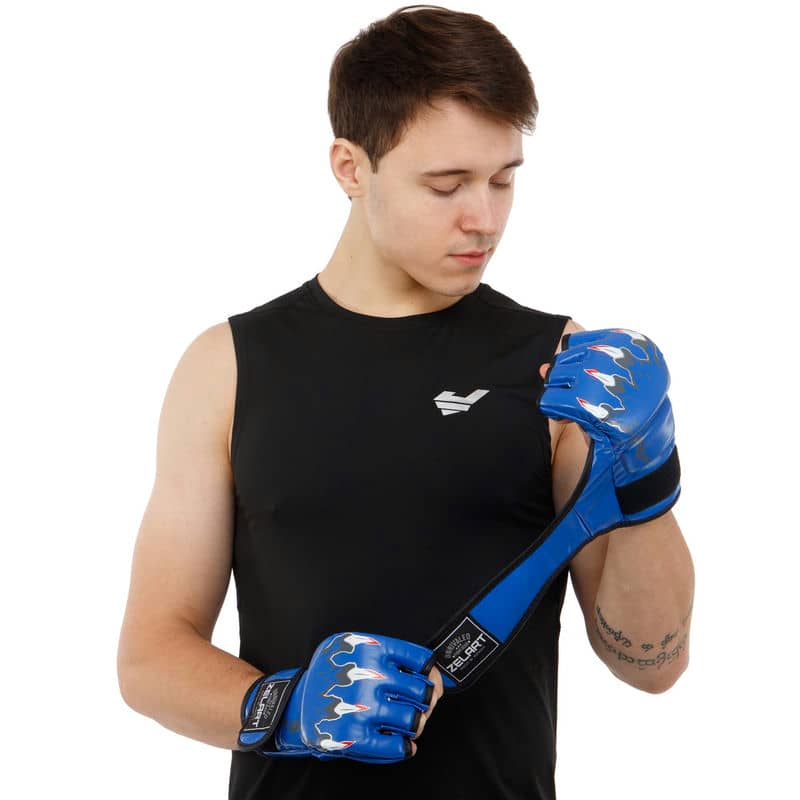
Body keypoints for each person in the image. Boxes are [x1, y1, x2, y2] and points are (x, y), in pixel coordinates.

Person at [117, 5, 695, 799]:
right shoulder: (227, 366)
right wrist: (282, 708)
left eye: (503, 179)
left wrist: (646, 472)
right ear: (351, 168)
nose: (484, 218)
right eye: (446, 184)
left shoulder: (559, 366)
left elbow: (652, 665)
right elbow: (150, 658)